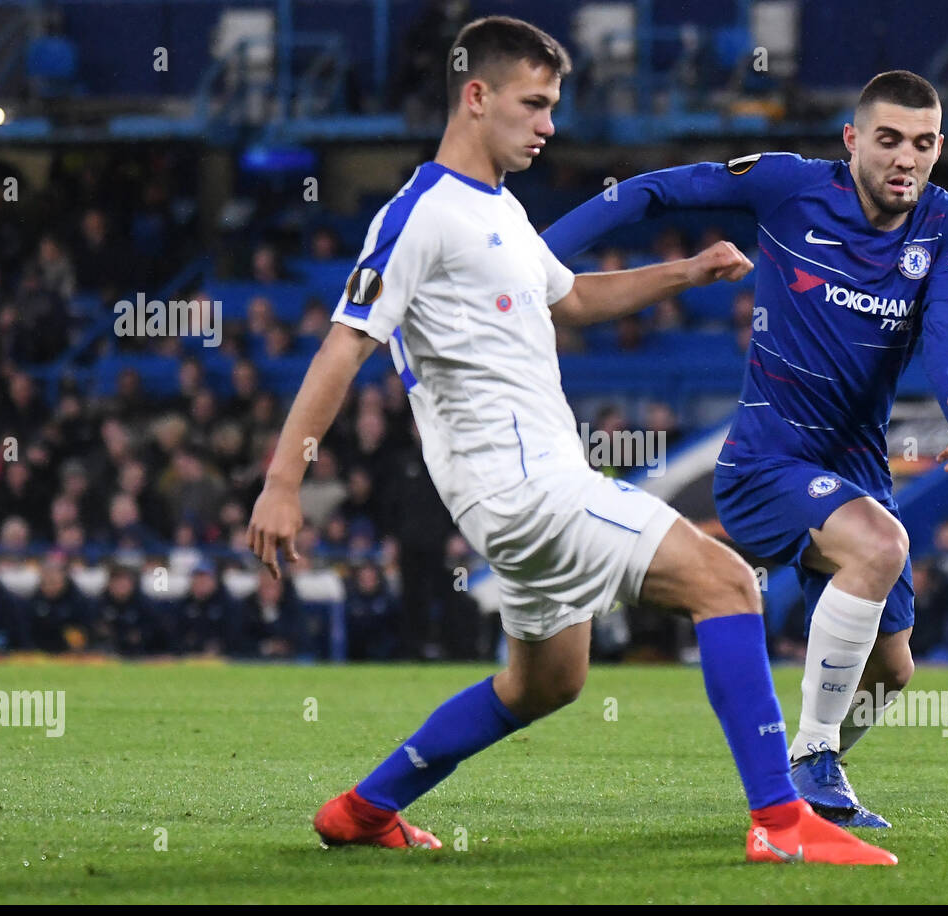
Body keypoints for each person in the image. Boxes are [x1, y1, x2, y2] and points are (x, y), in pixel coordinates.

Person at [245, 16, 894, 866]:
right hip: (524, 487)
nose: (550, 123)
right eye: (535, 103)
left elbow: (571, 300)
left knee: (546, 681)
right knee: (728, 582)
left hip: (521, 489)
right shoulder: (422, 215)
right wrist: (282, 482)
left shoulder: (503, 212)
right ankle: (781, 821)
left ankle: (365, 808)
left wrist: (685, 272)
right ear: (476, 97)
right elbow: (345, 342)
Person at [543, 70, 948, 827]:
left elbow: (947, 327)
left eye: (921, 143)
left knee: (893, 667)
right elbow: (653, 191)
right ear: (852, 140)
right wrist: (540, 251)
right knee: (879, 544)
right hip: (762, 465)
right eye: (886, 140)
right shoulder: (786, 186)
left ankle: (805, 781)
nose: (904, 158)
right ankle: (811, 764)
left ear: (939, 147)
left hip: (856, 470)